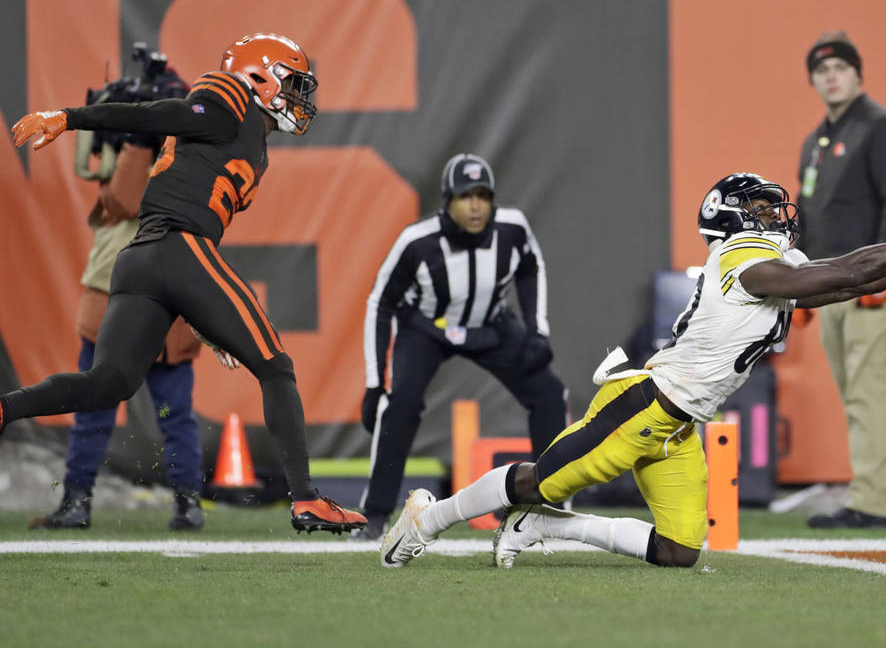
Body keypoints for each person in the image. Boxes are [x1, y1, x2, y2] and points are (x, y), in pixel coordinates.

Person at [377, 172, 886, 569]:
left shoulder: (768, 260)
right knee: (539, 477)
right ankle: (426, 518)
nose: (775, 216)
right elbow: (846, 274)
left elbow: (848, 276)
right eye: (762, 209)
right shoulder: (746, 260)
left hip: (682, 423)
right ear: (737, 220)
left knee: (679, 551)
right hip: (647, 404)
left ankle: (544, 525)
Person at [2, 33, 365, 534]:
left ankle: (5, 409)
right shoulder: (228, 98)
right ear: (260, 77)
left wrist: (211, 322)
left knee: (109, 383)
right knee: (276, 367)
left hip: (142, 259)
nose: (299, 98)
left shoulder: (248, 136)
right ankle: (307, 500)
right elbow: (159, 115)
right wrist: (68, 118)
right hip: (179, 246)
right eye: (292, 83)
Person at [30, 61, 205, 532]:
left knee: (173, 412)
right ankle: (77, 500)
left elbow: (136, 197)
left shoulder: (191, 151)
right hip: (122, 290)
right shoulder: (137, 146)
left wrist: (149, 132)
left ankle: (188, 502)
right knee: (96, 406)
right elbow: (123, 197)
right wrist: (137, 135)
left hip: (159, 292)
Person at [358, 153, 568, 539]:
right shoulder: (417, 242)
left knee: (549, 393)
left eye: (483, 195)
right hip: (426, 328)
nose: (475, 206)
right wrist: (375, 383)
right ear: (447, 201)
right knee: (399, 403)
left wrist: (537, 332)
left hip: (491, 325)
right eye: (464, 196)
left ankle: (552, 506)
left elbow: (530, 265)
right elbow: (380, 302)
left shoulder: (511, 228)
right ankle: (374, 515)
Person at [797, 31, 886, 529]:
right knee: (856, 392)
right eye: (822, 70)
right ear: (812, 81)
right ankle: (875, 497)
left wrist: (885, 274)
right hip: (830, 286)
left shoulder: (883, 126)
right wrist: (801, 283)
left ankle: (880, 504)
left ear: (858, 75)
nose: (831, 76)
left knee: (870, 390)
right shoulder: (816, 143)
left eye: (840, 68)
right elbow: (807, 217)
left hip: (872, 286)